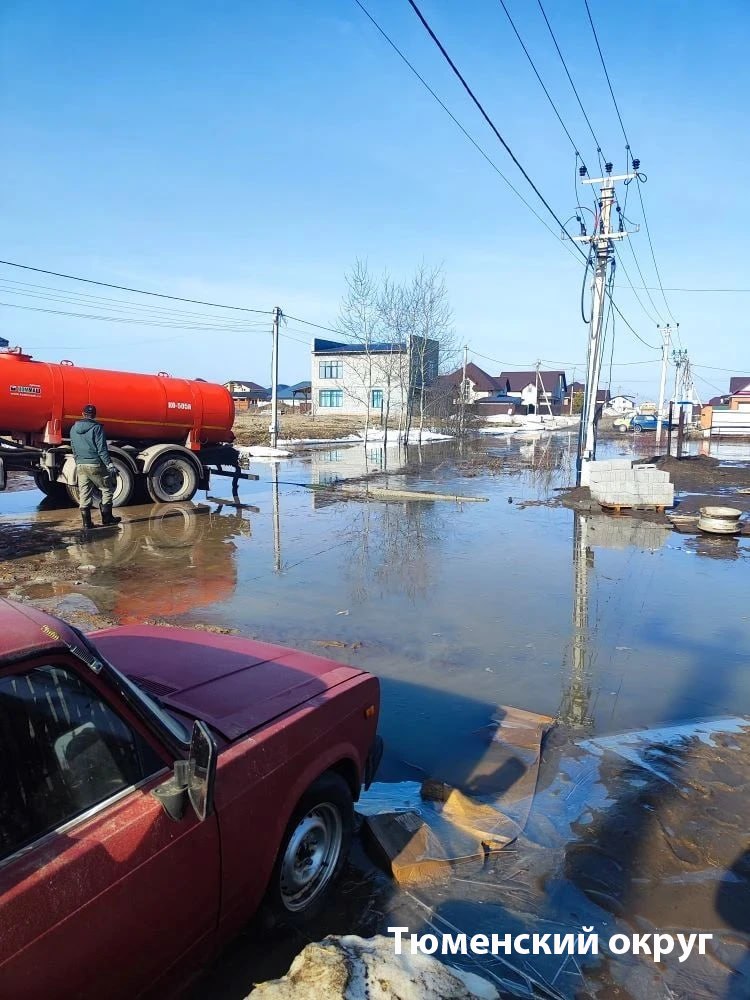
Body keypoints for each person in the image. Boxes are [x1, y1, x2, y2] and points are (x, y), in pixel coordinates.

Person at [69, 404, 122, 529]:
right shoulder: (97, 428)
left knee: (84, 493)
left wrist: (78, 461)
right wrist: (109, 464)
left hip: (81, 464)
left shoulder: (73, 428)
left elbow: (73, 447)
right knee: (106, 489)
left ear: (82, 414)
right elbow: (102, 449)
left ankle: (87, 523)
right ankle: (107, 519)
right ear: (94, 415)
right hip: (95, 463)